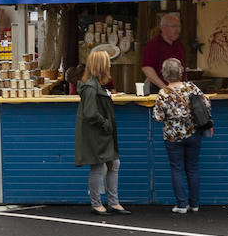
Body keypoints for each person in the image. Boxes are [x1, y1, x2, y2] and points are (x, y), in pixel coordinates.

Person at [152, 58, 209, 213]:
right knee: (192, 168)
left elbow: (158, 117)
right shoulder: (191, 87)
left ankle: (182, 205)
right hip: (192, 132)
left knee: (176, 169)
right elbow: (206, 104)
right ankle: (195, 204)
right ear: (181, 71)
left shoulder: (163, 93)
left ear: (164, 74)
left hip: (173, 136)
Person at [77, 50, 128, 215]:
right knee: (99, 165)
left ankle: (112, 202)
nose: (110, 65)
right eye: (108, 62)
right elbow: (90, 113)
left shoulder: (94, 85)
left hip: (101, 132)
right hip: (97, 133)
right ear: (101, 66)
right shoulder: (91, 87)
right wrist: (106, 124)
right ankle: (97, 203)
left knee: (113, 163)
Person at [140, 11, 184, 94]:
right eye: (174, 26)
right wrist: (165, 88)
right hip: (159, 91)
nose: (177, 30)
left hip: (179, 90)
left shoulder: (179, 44)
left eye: (179, 26)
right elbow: (147, 68)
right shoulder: (153, 45)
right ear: (163, 28)